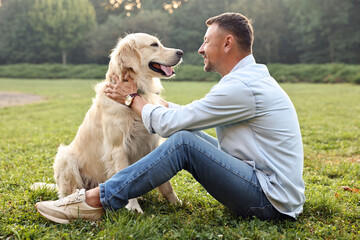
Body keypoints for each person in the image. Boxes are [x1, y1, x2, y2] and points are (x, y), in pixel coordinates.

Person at [35, 12, 305, 223]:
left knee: (184, 142)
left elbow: (170, 123)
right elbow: (186, 117)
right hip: (269, 189)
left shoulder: (241, 87)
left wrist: (132, 99)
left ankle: (95, 201)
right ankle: (104, 195)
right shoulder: (246, 80)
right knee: (186, 135)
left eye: (206, 42)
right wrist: (151, 101)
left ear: (227, 43)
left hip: (268, 200)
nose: (200, 49)